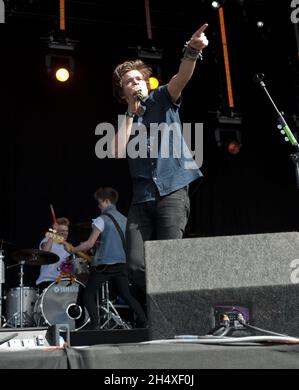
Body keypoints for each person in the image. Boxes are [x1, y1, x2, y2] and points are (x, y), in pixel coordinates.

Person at [111, 24, 209, 297]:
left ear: (147, 82)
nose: (135, 83)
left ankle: (176, 304)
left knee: (170, 260)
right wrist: (131, 113)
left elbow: (181, 77)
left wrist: (192, 51)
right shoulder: (127, 121)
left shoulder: (163, 98)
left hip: (172, 191)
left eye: (138, 79)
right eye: (128, 82)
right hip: (142, 198)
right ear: (123, 93)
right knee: (135, 264)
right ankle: (170, 297)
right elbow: (117, 151)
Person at [69, 186, 147, 330]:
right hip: (122, 263)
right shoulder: (125, 219)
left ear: (106, 201)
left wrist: (73, 249)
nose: (98, 206)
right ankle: (145, 323)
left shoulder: (101, 219)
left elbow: (89, 243)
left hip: (105, 265)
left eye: (99, 203)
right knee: (127, 295)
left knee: (88, 295)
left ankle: (95, 325)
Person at [36, 217, 71, 291]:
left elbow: (67, 267)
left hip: (61, 283)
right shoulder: (47, 240)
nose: (65, 233)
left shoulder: (67, 246)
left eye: (66, 231)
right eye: (62, 231)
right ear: (56, 231)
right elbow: (45, 252)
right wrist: (53, 233)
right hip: (47, 281)